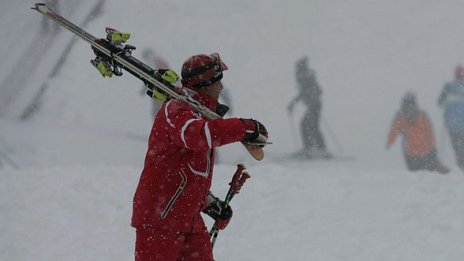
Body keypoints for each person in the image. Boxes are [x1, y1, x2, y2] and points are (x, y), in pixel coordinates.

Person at [131, 53, 268, 261]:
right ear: (205, 83)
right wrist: (243, 128)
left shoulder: (199, 115)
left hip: (188, 220)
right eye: (218, 81)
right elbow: (195, 135)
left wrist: (209, 204)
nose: (221, 88)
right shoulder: (175, 109)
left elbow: (185, 175)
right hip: (160, 221)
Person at [387, 92, 449, 174]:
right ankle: (447, 176)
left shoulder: (400, 116)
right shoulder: (422, 115)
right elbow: (429, 132)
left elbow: (394, 131)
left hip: (411, 152)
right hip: (426, 149)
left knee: (416, 174)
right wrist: (433, 146)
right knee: (432, 171)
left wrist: (389, 142)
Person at [287, 56, 331, 159]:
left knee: (307, 125)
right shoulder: (307, 76)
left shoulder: (306, 77)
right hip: (314, 104)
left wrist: (294, 103)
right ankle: (317, 148)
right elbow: (313, 90)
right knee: (311, 125)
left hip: (314, 105)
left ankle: (314, 148)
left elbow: (309, 91)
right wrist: (293, 103)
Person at [438, 64, 464, 171]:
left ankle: (461, 166)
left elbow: (440, 102)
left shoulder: (448, 87)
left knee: (457, 148)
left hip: (452, 125)